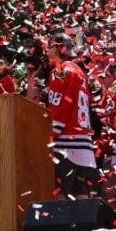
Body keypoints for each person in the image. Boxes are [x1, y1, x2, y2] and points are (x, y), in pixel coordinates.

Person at [44, 32, 98, 198]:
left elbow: (60, 105)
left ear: (59, 48)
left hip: (67, 143)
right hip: (84, 144)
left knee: (57, 195)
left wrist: (50, 136)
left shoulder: (60, 71)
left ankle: (57, 225)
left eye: (50, 46)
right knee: (80, 195)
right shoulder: (80, 72)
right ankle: (89, 226)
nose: (47, 50)